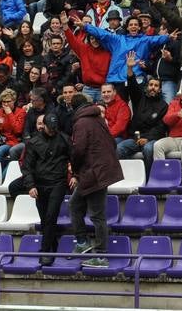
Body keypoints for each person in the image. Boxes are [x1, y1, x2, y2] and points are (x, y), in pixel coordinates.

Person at [69, 93, 121, 269]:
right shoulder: (98, 119)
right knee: (75, 205)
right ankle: (83, 243)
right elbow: (112, 144)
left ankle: (100, 255)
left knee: (97, 216)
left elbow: (78, 150)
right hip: (97, 171)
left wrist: (74, 169)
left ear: (73, 107)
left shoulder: (81, 122)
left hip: (94, 173)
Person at [20, 111, 71, 266]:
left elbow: (74, 158)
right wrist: (30, 186)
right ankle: (53, 247)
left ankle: (45, 251)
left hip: (58, 182)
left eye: (55, 128)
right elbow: (27, 166)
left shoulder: (64, 139)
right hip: (40, 184)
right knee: (45, 219)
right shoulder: (33, 142)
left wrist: (74, 174)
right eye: (50, 128)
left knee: (50, 216)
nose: (53, 131)